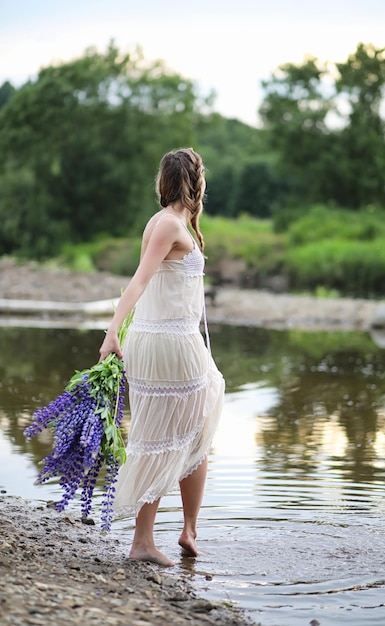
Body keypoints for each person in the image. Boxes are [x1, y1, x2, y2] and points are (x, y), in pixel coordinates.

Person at [99, 147, 225, 567]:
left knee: (193, 430)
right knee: (162, 437)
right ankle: (143, 541)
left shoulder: (169, 223)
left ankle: (187, 530)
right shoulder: (168, 225)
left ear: (164, 181)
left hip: (167, 340)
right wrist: (112, 331)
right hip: (168, 343)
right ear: (196, 181)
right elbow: (138, 282)